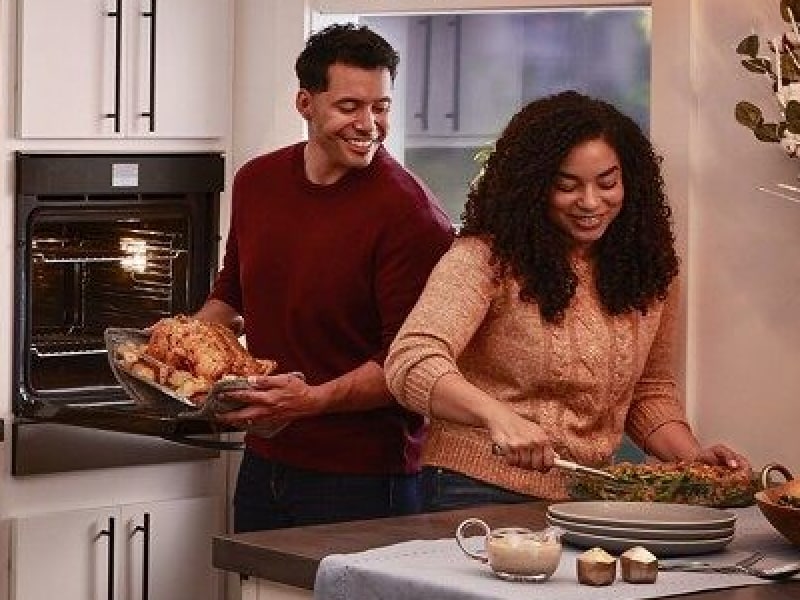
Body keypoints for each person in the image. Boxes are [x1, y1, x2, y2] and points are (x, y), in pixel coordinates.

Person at [384, 90, 751, 512]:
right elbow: (412, 361)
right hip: (474, 486)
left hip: (588, 499)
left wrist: (693, 460)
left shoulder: (650, 271)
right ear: (534, 186)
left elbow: (649, 392)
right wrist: (498, 417)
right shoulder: (484, 259)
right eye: (567, 186)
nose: (591, 202)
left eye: (607, 183)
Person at [196, 23, 454, 531]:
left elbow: (407, 363)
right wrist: (171, 348)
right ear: (305, 103)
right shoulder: (256, 182)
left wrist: (311, 401)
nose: (369, 125)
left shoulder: (411, 215)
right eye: (349, 106)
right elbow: (231, 294)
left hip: (365, 479)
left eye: (381, 107)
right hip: (264, 460)